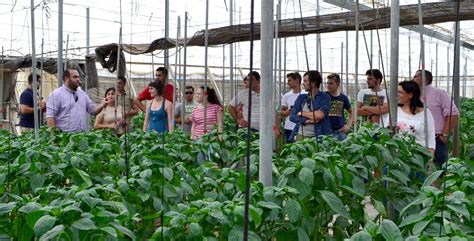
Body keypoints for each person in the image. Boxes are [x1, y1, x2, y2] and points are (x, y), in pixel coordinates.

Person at [413, 69, 459, 168]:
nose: (413, 78)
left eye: (415, 76)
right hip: (417, 138)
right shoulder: (414, 95)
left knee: (437, 170)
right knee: (419, 169)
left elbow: (453, 114)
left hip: (436, 138)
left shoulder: (439, 93)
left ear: (424, 78)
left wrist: (444, 135)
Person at [386, 81, 435, 152]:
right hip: (396, 154)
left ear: (410, 95)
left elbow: (431, 137)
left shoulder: (425, 113)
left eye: (400, 92)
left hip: (418, 155)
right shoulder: (395, 111)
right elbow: (386, 130)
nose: (397, 94)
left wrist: (430, 156)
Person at [290, 70, 332, 140]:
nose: (303, 83)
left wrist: (301, 113)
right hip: (301, 135)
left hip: (319, 137)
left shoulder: (325, 97)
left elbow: (320, 115)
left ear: (314, 82)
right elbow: (292, 117)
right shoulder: (301, 97)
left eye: (306, 81)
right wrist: (307, 121)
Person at [325, 73, 354, 140]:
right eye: (328, 83)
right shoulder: (324, 96)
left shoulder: (343, 98)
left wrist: (348, 125)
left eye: (331, 83)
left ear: (338, 84)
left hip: (340, 133)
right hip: (326, 133)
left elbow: (351, 111)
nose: (328, 85)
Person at [281, 72, 304, 142]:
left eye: (289, 80)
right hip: (288, 128)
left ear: (296, 81)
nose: (288, 83)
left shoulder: (305, 95)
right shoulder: (286, 96)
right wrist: (288, 112)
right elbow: (282, 112)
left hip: (301, 128)